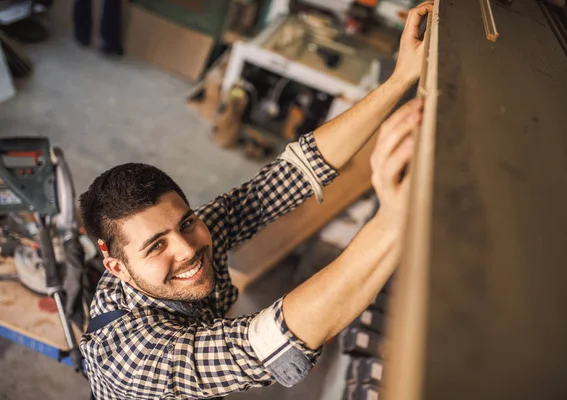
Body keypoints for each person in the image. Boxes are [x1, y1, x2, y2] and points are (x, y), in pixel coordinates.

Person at [78, 2, 433, 399]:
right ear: (116, 266)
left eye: (185, 223)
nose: (189, 249)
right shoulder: (137, 357)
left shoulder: (195, 234)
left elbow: (290, 175)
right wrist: (393, 220)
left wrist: (400, 80)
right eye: (156, 245)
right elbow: (269, 342)